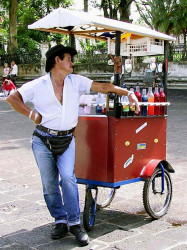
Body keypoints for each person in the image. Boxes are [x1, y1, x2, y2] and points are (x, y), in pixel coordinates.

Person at [6, 44, 140, 246]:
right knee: (50, 184)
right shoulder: (38, 85)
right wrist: (31, 114)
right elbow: (12, 98)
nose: (72, 62)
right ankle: (60, 220)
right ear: (56, 61)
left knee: (68, 178)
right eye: (68, 58)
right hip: (43, 141)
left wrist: (127, 92)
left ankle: (75, 223)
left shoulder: (75, 82)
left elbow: (103, 87)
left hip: (67, 139)